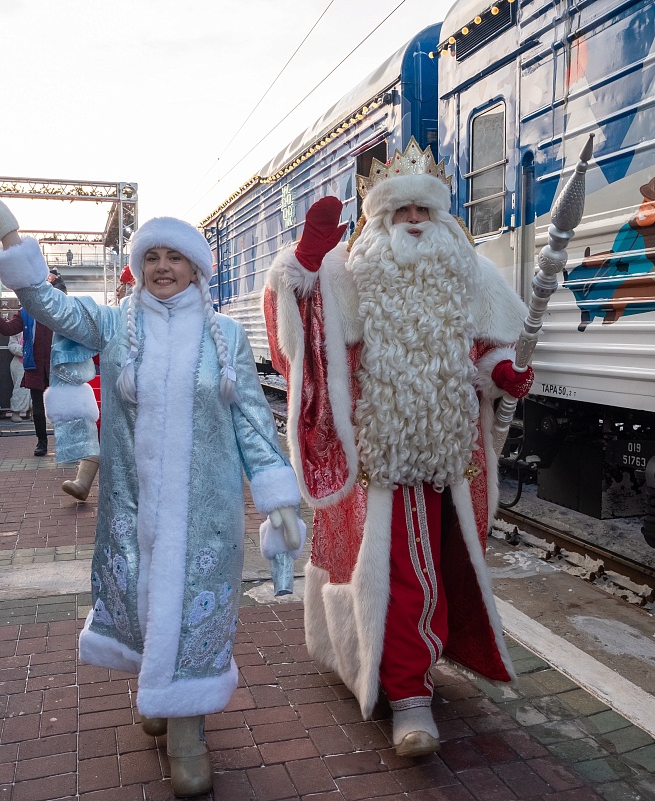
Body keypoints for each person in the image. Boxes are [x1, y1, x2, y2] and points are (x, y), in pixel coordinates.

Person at [0, 187, 303, 798]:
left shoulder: (221, 335)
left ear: (196, 267)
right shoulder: (113, 324)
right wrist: (8, 231)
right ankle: (156, 693)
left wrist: (277, 496)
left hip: (205, 511)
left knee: (192, 611)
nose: (162, 267)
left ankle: (188, 731)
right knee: (140, 601)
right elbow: (44, 303)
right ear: (139, 265)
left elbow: (251, 424)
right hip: (132, 507)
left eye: (175, 257)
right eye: (151, 255)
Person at [262, 139, 536, 757]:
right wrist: (304, 266)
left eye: (423, 212)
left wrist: (502, 373)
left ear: (441, 218)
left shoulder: (471, 275)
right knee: (402, 574)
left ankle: (411, 669)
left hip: (447, 454)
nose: (413, 222)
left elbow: (487, 347)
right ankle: (410, 696)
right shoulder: (353, 275)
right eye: (400, 212)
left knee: (434, 569)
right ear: (379, 220)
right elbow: (307, 342)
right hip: (378, 457)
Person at [0, 275, 64, 456]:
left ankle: (64, 441)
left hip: (57, 364)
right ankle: (42, 442)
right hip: (34, 364)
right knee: (38, 407)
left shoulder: (57, 309)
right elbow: (8, 329)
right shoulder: (26, 312)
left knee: (60, 406)